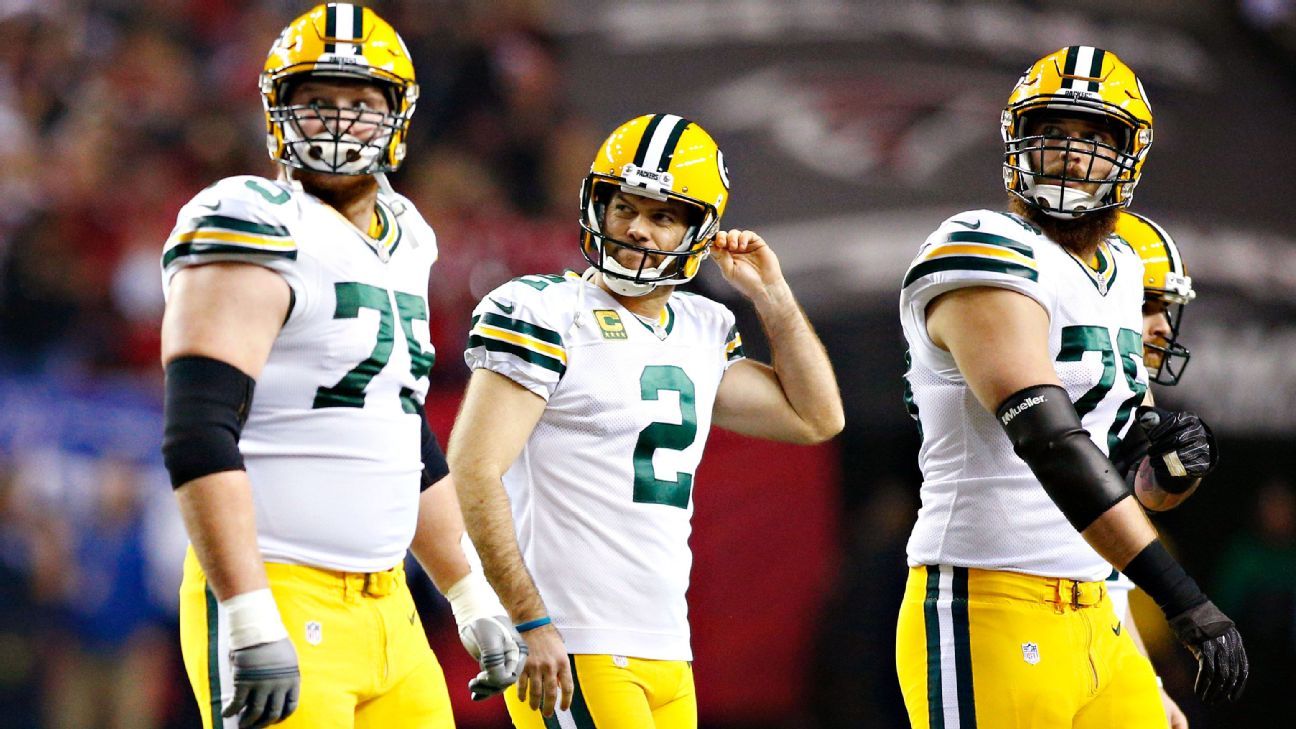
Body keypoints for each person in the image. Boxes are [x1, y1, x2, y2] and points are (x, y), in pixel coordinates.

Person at [159, 5, 523, 728]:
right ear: (277, 109)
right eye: (317, 99)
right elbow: (198, 430)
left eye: (361, 103)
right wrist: (247, 608)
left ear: (398, 118)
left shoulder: (409, 235)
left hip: (390, 605)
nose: (336, 120)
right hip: (282, 587)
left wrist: (468, 588)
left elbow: (399, 428)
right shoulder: (250, 215)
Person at [448, 113, 844, 728]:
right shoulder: (546, 310)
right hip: (572, 637)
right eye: (624, 208)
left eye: (662, 216)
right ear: (596, 207)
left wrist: (774, 296)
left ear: (698, 230)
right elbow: (474, 470)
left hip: (665, 644)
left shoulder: (702, 326)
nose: (636, 229)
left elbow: (816, 418)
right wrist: (529, 619)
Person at [896, 46, 1247, 728]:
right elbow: (1052, 441)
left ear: (1128, 156)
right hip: (990, 600)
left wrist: (1170, 469)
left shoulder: (1120, 266)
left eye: (1094, 137)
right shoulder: (981, 243)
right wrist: (1182, 600)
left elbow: (1127, 483)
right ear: (1018, 139)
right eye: (1055, 130)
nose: (1070, 152)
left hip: (1099, 612)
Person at [1106, 210, 1214, 729]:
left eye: (1168, 308)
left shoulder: (1115, 401)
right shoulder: (1037, 385)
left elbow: (1097, 572)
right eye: (1147, 304)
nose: (1163, 327)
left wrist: (1142, 678)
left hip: (1085, 623)